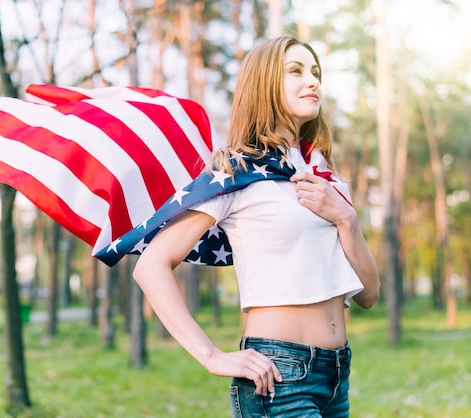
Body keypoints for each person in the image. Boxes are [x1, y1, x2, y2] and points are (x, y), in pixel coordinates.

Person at [132, 35, 380, 418]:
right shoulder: (238, 171)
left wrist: (345, 218)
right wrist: (212, 356)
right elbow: (151, 265)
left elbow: (369, 295)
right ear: (263, 84)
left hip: (336, 376)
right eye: (295, 71)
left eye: (315, 72)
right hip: (278, 376)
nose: (313, 81)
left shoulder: (325, 178)